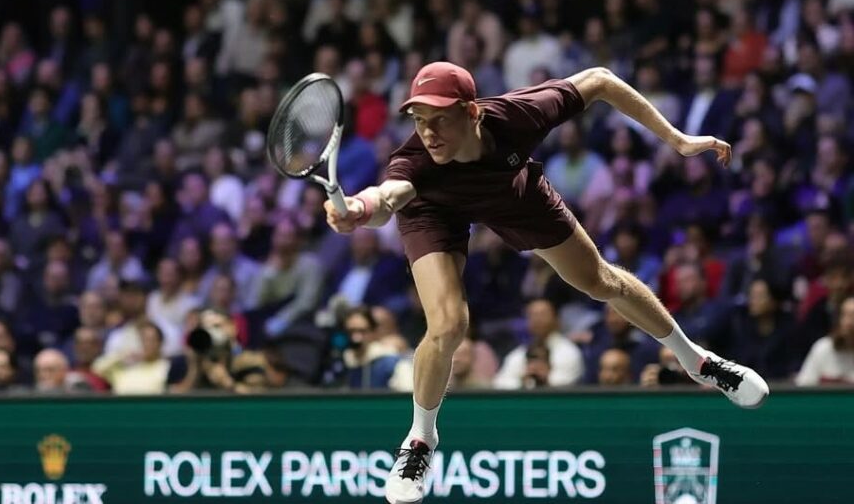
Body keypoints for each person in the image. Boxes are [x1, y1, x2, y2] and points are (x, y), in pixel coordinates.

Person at [323, 62, 769, 504]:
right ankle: (420, 440)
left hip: (511, 192)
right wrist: (359, 211)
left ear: (473, 112)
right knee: (448, 324)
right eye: (419, 121)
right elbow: (389, 196)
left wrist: (679, 140)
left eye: (440, 118)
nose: (429, 132)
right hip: (433, 210)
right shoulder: (415, 162)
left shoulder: (518, 115)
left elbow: (600, 80)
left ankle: (699, 362)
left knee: (601, 281)